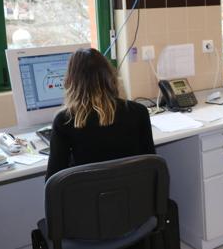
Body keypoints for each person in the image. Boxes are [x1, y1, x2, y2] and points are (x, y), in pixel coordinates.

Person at [45, 48, 155, 180]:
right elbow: (152, 166)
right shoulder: (138, 112)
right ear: (109, 76)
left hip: (90, 198)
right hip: (133, 196)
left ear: (71, 81)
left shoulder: (65, 120)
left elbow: (53, 180)